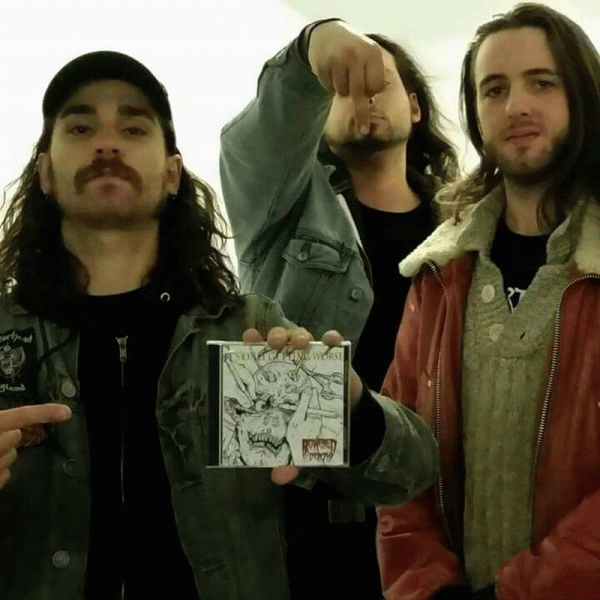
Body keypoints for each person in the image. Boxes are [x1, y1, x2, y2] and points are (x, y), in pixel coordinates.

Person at [0, 51, 440, 600]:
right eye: (81, 127)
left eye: (134, 128)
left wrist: (352, 410)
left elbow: (408, 473)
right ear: (44, 172)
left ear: (172, 174)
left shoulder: (242, 332)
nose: (107, 144)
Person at [220, 20, 458, 598]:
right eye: (343, 86)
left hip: (439, 518)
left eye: (381, 81)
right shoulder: (282, 209)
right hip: (306, 525)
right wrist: (315, 43)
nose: (364, 94)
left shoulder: (463, 231)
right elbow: (252, 143)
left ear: (416, 107)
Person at [376, 3, 600, 599]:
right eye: (494, 89)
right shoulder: (437, 276)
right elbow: (404, 474)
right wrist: (427, 589)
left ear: (583, 95)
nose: (516, 106)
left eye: (542, 83)